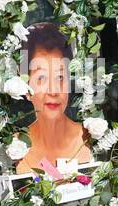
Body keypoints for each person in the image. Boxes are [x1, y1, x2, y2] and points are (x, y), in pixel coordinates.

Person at [17, 23, 92, 174]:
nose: (53, 91)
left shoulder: (89, 137)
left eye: (60, 77)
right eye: (42, 78)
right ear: (25, 86)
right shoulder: (16, 147)